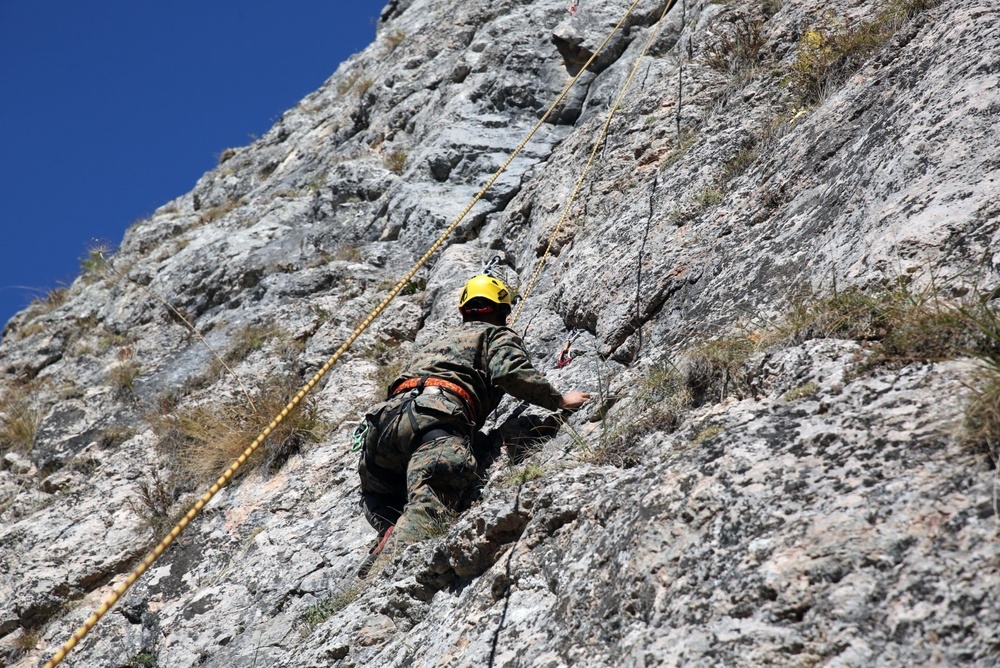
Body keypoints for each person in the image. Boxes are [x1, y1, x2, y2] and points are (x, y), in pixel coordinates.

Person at [356, 274, 590, 576]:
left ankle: (390, 527)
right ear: (503, 312)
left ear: (464, 310)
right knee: (434, 497)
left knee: (382, 500)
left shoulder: (435, 344)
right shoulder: (495, 334)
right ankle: (383, 578)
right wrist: (557, 400)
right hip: (432, 423)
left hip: (380, 432)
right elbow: (509, 373)